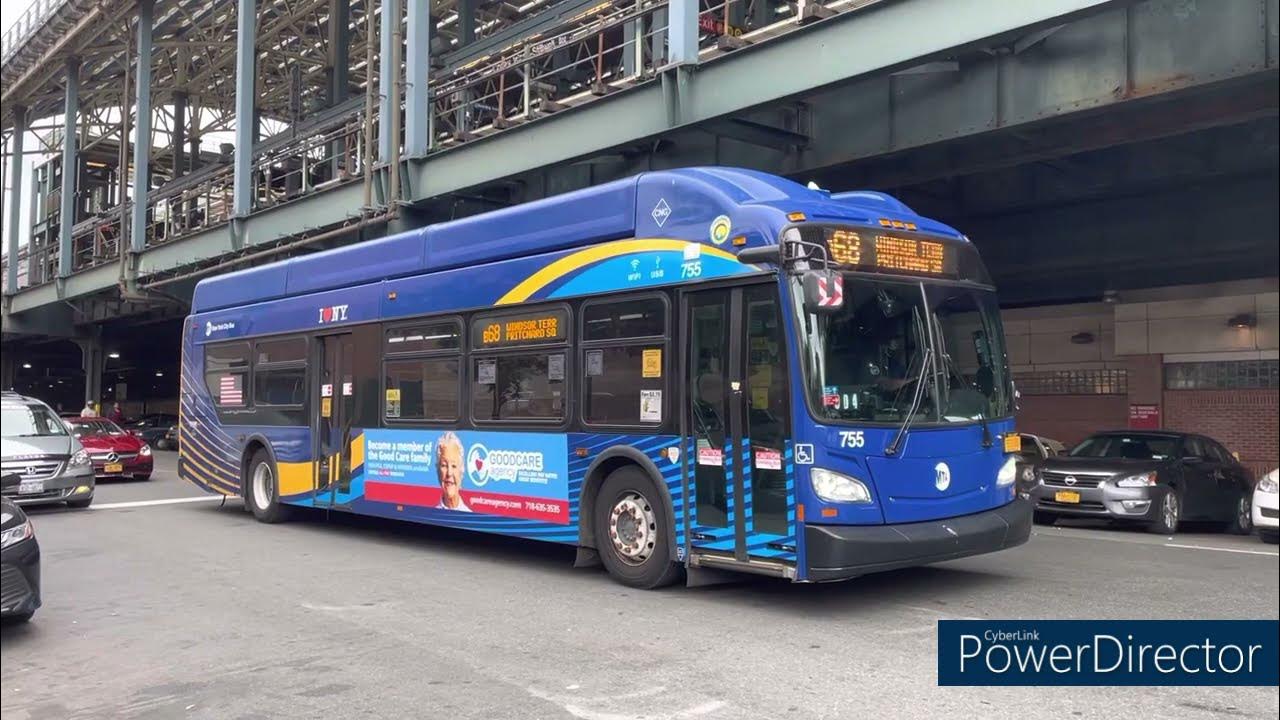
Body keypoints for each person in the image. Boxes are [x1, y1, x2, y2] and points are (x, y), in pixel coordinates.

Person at [435, 432, 471, 512]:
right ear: (438, 470)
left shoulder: (471, 516)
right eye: (444, 465)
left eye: (454, 466)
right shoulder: (430, 516)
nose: (449, 473)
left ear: (461, 470)